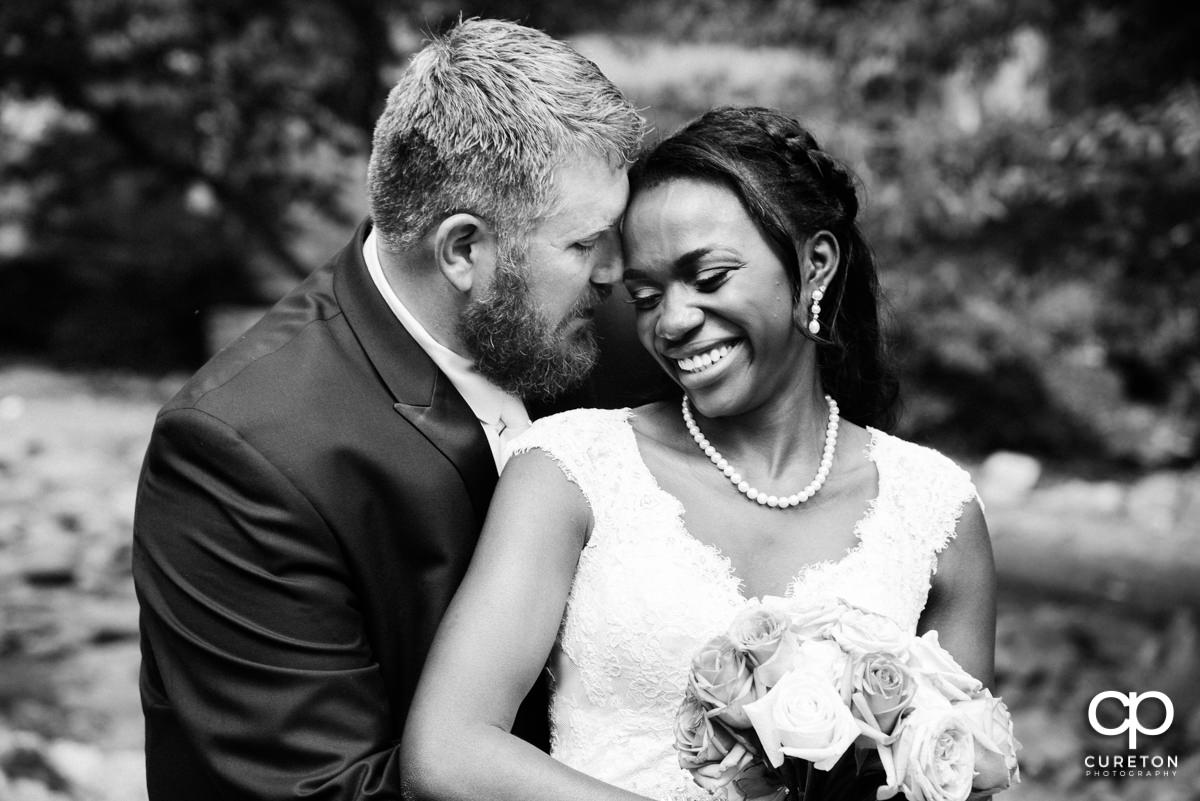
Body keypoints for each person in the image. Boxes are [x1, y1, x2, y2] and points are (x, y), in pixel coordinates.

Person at [401, 106, 999, 801]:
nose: (674, 321)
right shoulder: (572, 469)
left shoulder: (936, 510)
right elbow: (447, 752)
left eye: (709, 278)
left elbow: (961, 774)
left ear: (815, 266)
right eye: (647, 296)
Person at [131, 18, 642, 801]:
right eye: (585, 245)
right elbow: (326, 790)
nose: (618, 273)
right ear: (464, 251)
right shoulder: (241, 452)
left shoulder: (602, 331)